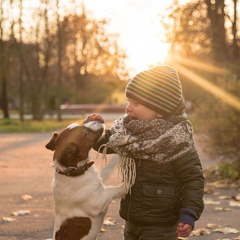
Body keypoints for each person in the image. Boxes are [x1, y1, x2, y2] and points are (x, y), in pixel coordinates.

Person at [84, 65, 204, 240]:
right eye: (128, 101)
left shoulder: (177, 141)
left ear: (160, 110)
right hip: (132, 219)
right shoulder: (126, 131)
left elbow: (193, 179)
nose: (128, 108)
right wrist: (92, 127)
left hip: (161, 225)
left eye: (136, 103)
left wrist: (189, 213)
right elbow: (103, 144)